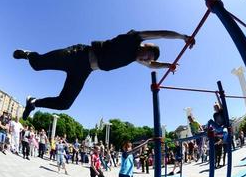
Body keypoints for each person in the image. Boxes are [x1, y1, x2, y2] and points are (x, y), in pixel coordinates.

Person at [13, 30, 194, 120]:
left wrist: (168, 65)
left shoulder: (134, 58)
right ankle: (29, 54)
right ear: (146, 46)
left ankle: (33, 102)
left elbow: (151, 66)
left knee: (64, 103)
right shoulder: (135, 38)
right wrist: (182, 37)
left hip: (84, 71)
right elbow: (161, 34)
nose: (146, 59)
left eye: (147, 59)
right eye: (147, 55)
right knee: (37, 65)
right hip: (77, 55)